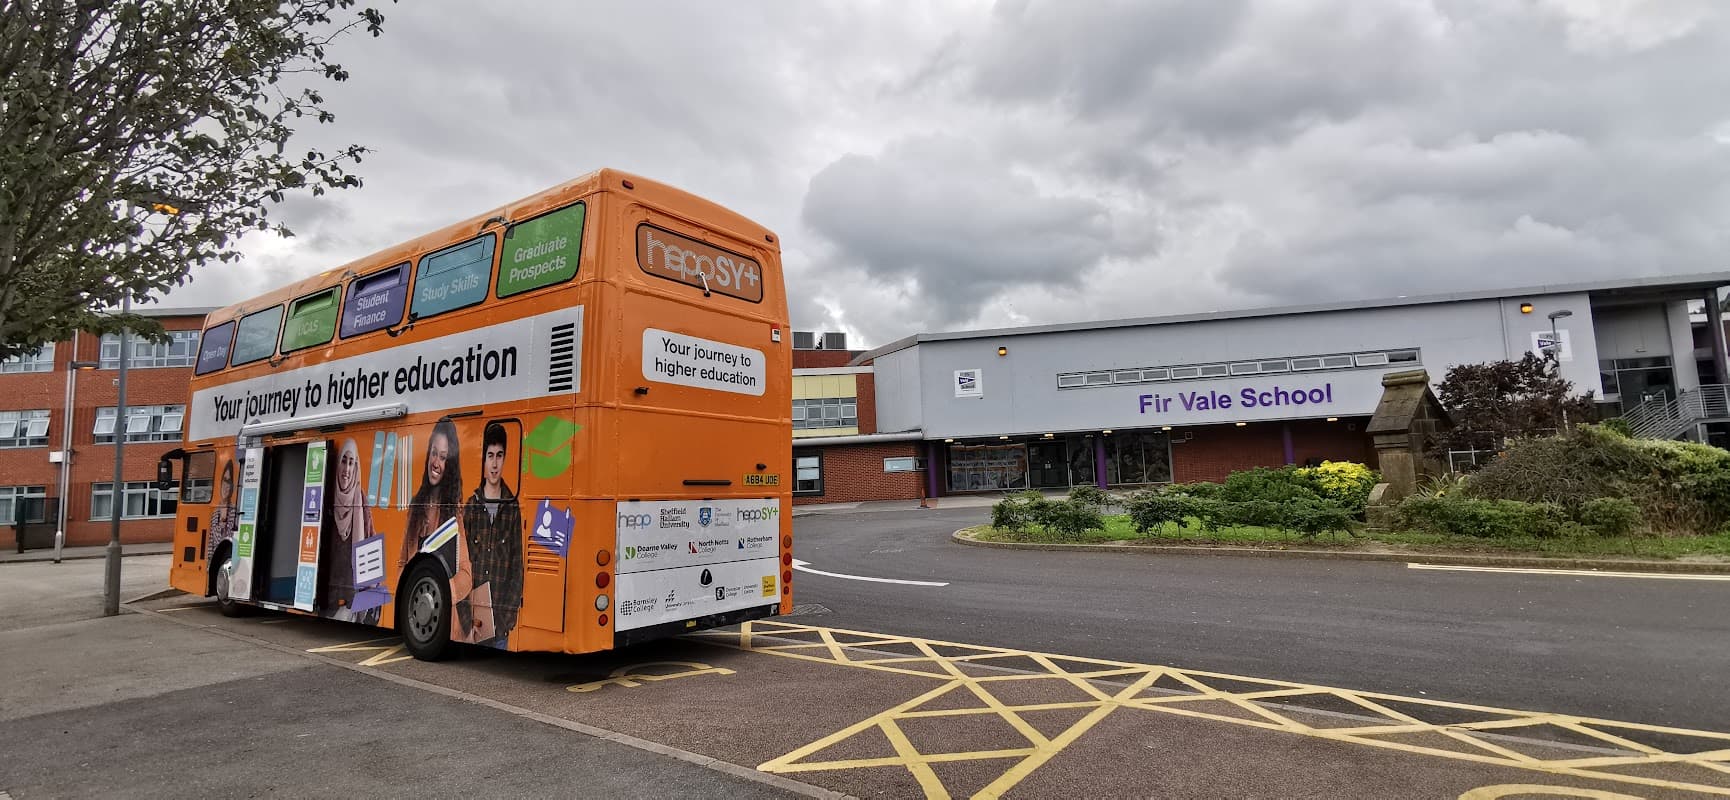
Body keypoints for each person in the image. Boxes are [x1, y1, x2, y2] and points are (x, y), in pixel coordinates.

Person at [401, 418, 473, 630]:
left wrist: (444, 589)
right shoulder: (416, 506)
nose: (436, 463)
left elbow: (466, 574)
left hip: (446, 621)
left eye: (443, 457)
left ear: (448, 466)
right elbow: (402, 562)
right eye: (434, 453)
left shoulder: (453, 512)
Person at [461, 422, 524, 647]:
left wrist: (506, 620)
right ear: (484, 460)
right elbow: (459, 566)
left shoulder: (512, 509)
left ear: (505, 458)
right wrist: (464, 616)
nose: (495, 464)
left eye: (499, 455)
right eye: (490, 456)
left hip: (499, 626)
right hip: (471, 623)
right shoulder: (471, 507)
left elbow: (517, 570)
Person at [322, 439, 380, 624]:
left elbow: (371, 552)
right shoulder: (327, 495)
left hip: (352, 604)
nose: (347, 469)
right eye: (344, 461)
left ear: (356, 467)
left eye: (352, 462)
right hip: (327, 599)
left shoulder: (361, 501)